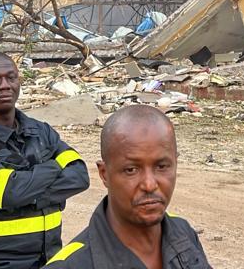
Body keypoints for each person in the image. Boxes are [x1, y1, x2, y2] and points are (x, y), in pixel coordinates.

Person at [0, 52, 90, 269]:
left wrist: (30, 193)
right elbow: (10, 193)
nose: (4, 85)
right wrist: (53, 166)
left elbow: (79, 175)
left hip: (49, 258)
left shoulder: (40, 130)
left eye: (11, 77)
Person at [45, 105, 212, 268]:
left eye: (161, 167)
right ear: (104, 174)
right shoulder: (72, 264)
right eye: (131, 170)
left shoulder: (182, 233)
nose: (149, 184)